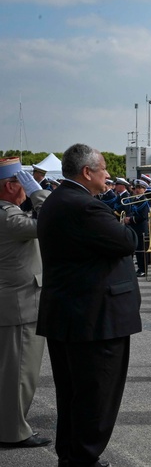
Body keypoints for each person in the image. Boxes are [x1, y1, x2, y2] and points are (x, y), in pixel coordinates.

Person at [36, 143, 141, 467]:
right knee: (97, 392)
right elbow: (127, 241)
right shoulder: (85, 207)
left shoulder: (58, 200)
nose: (108, 176)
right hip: (95, 316)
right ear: (86, 172)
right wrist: (122, 223)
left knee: (73, 392)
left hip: (70, 313)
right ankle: (83, 461)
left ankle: (70, 456)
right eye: (103, 170)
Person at [0, 159, 52, 449]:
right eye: (24, 183)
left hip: (11, 300)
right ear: (10, 186)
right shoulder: (8, 217)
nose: (27, 189)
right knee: (20, 372)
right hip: (20, 303)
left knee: (9, 371)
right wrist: (39, 194)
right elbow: (50, 221)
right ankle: (13, 431)